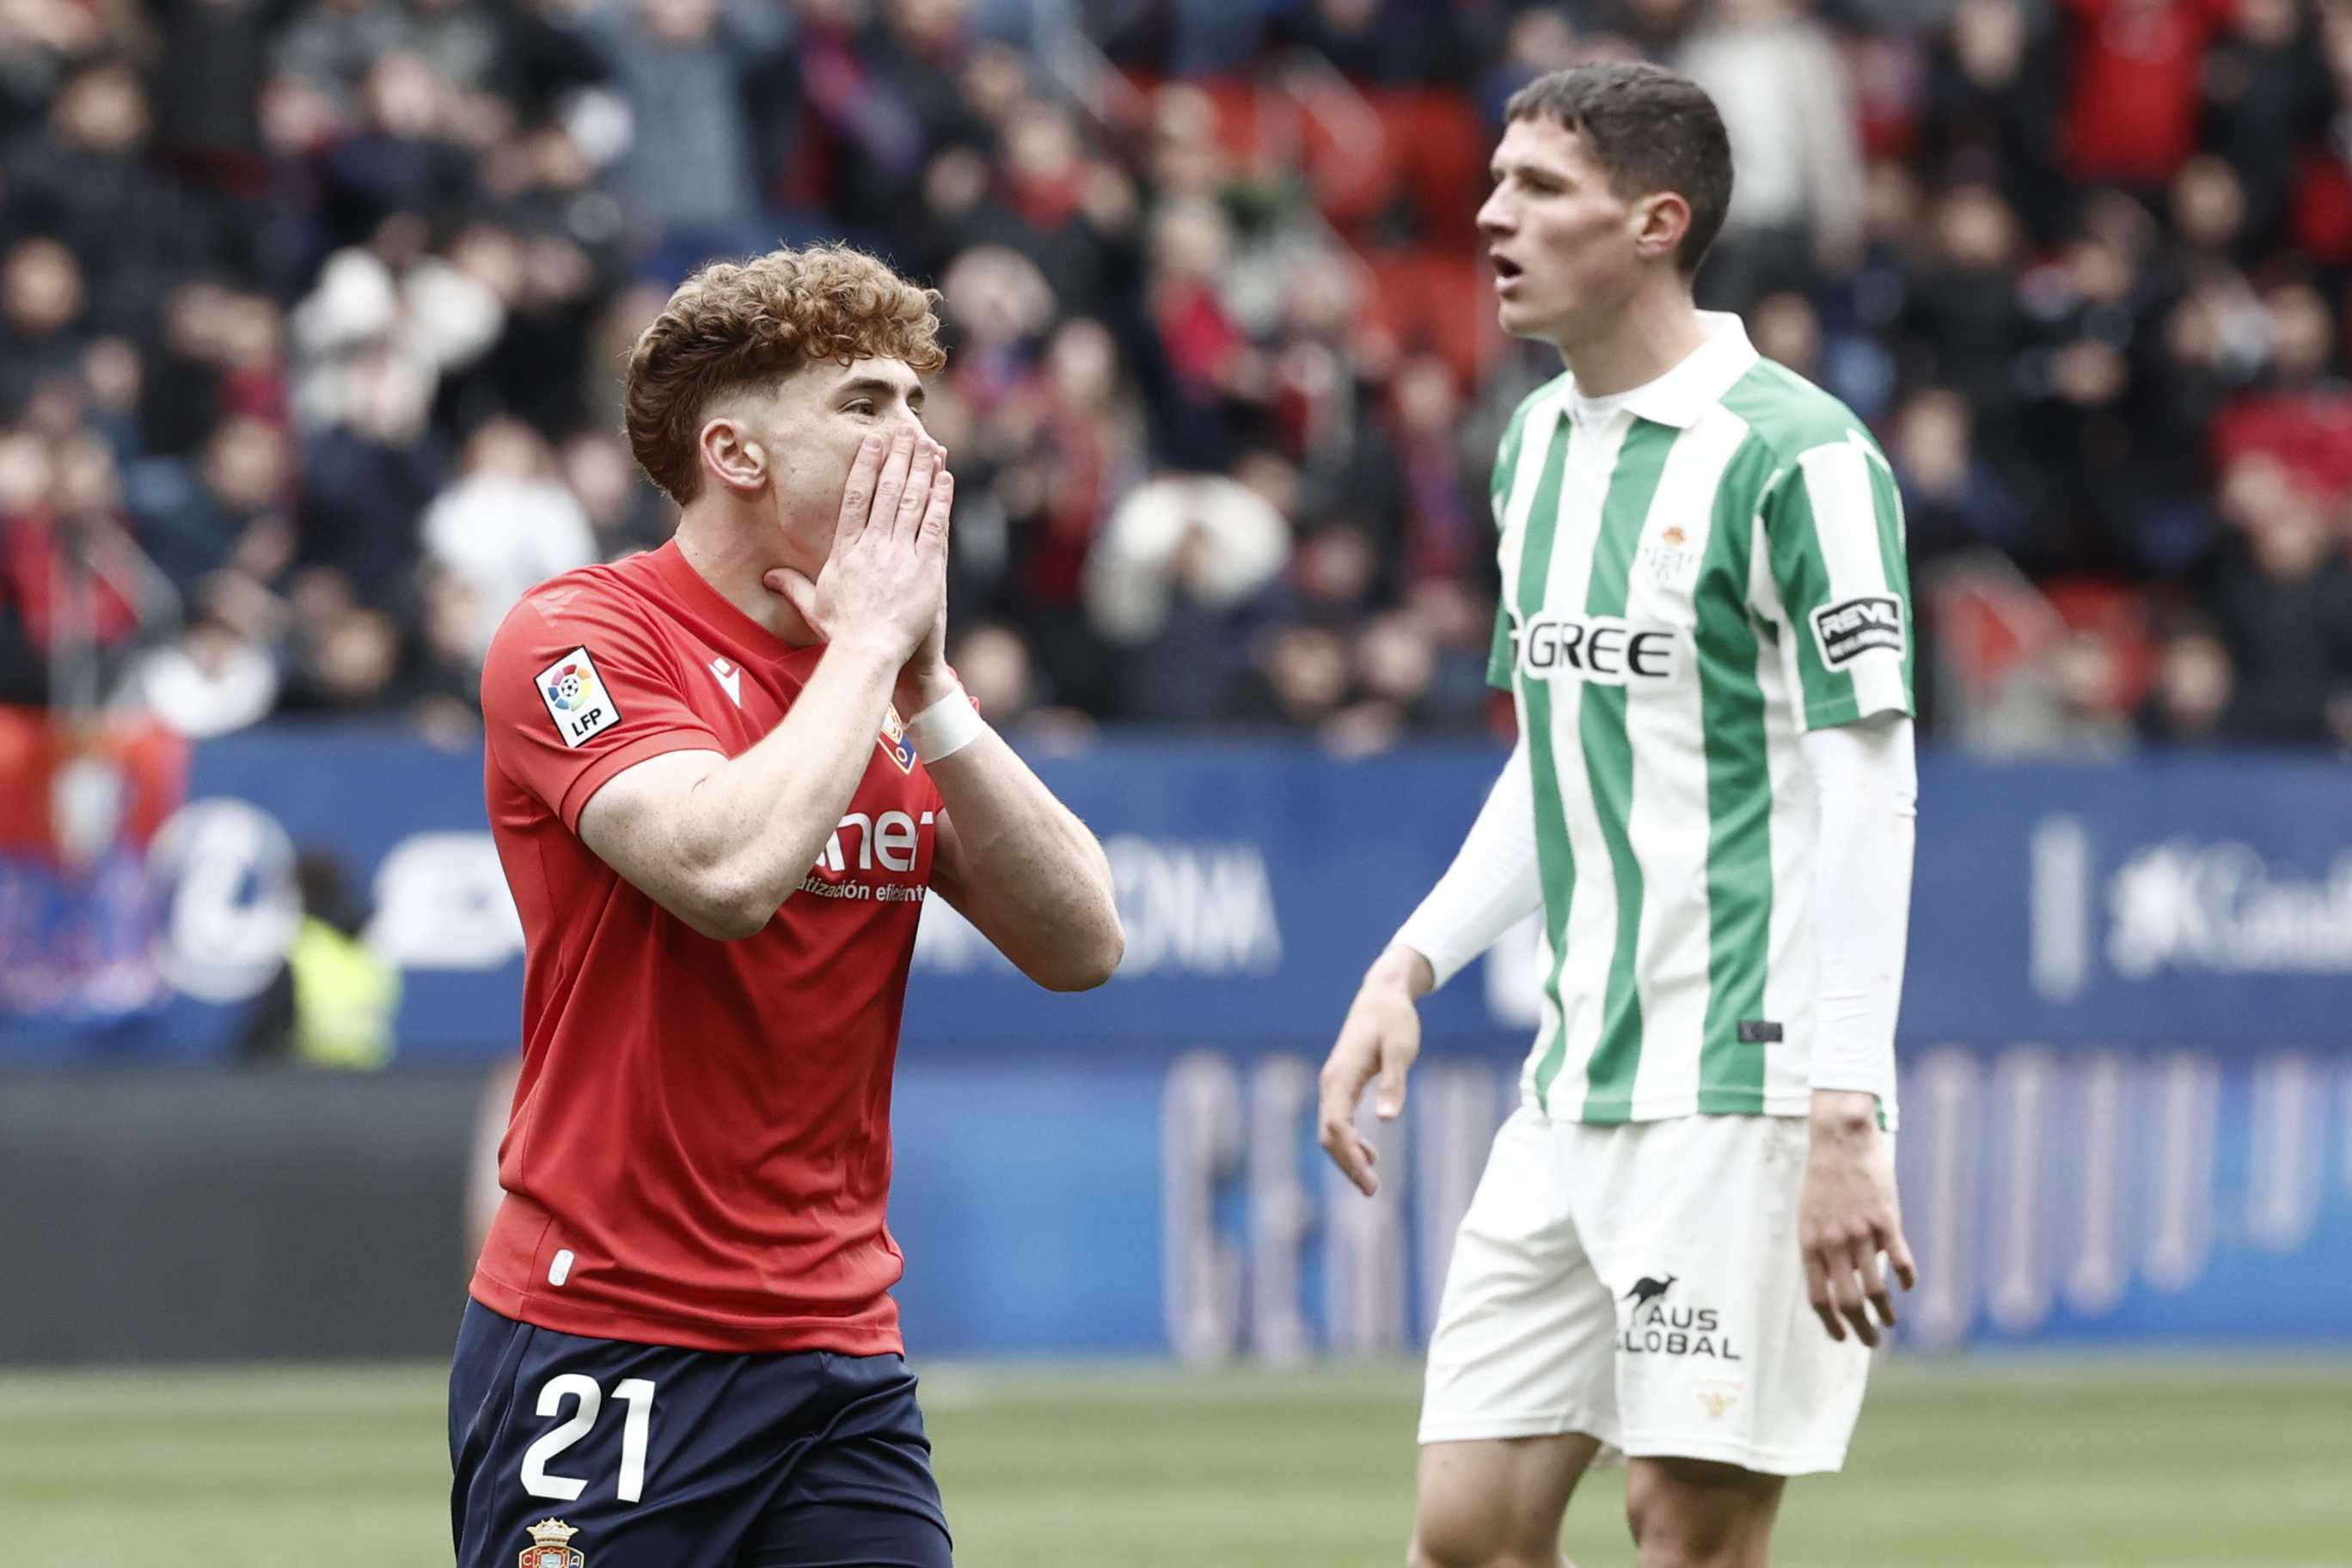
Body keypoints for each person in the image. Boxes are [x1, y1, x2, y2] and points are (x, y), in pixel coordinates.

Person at [1316, 64, 1919, 1568]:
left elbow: (1873, 786)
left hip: (1747, 1091)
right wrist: (1413, 961)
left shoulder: (1804, 458)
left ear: (1656, 223)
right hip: (1576, 1079)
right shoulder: (1534, 450)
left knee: (1685, 1532)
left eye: (1538, 190)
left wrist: (1844, 1104)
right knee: (1466, 1534)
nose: (1487, 213)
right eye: (1496, 179)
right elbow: (1564, 755)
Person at [450, 244, 1124, 1568]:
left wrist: (929, 689)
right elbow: (722, 875)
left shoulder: (884, 683)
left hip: (838, 1353)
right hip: (610, 1335)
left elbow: (1083, 942)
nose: (918, 441)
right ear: (738, 453)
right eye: (867, 405)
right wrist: (869, 649)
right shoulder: (581, 636)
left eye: (921, 407)